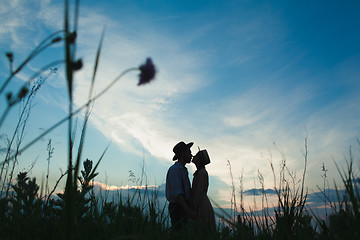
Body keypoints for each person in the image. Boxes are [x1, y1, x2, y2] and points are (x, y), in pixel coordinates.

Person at [165, 141, 196, 231]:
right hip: (178, 208)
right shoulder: (175, 170)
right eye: (189, 152)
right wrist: (188, 211)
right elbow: (178, 195)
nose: (191, 155)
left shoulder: (183, 170)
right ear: (182, 154)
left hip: (183, 206)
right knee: (179, 232)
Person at [191, 149, 216, 229]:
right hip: (201, 204)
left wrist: (194, 207)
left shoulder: (202, 173)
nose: (193, 156)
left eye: (196, 155)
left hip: (201, 206)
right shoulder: (200, 172)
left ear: (199, 160)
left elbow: (199, 192)